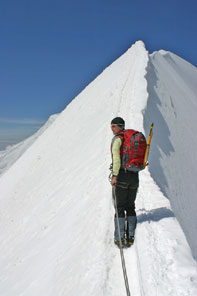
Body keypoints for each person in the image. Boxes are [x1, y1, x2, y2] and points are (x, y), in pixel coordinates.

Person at [110, 117, 139, 248]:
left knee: (120, 207)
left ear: (120, 126)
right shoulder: (131, 140)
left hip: (121, 176)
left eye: (114, 126)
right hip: (134, 176)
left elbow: (116, 158)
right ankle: (131, 236)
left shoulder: (118, 140)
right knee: (130, 206)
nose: (112, 128)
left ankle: (120, 238)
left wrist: (115, 175)